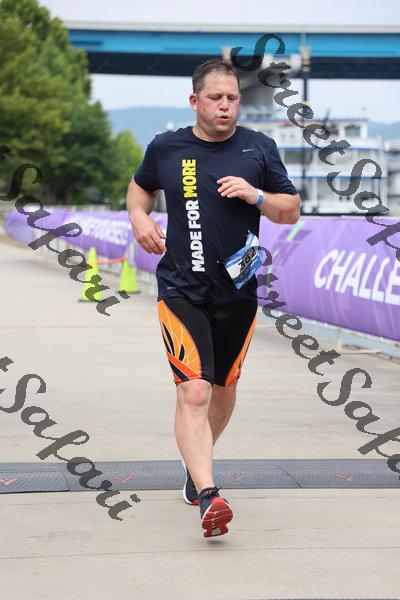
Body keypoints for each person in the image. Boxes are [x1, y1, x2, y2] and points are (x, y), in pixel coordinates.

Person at [126, 58, 300, 538]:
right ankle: (209, 493)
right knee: (195, 389)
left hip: (238, 292)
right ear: (194, 101)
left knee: (223, 388)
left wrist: (255, 195)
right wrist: (139, 218)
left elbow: (290, 211)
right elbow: (139, 188)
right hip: (181, 289)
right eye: (215, 98)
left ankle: (195, 463)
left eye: (233, 98)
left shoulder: (258, 147)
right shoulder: (166, 147)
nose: (226, 106)